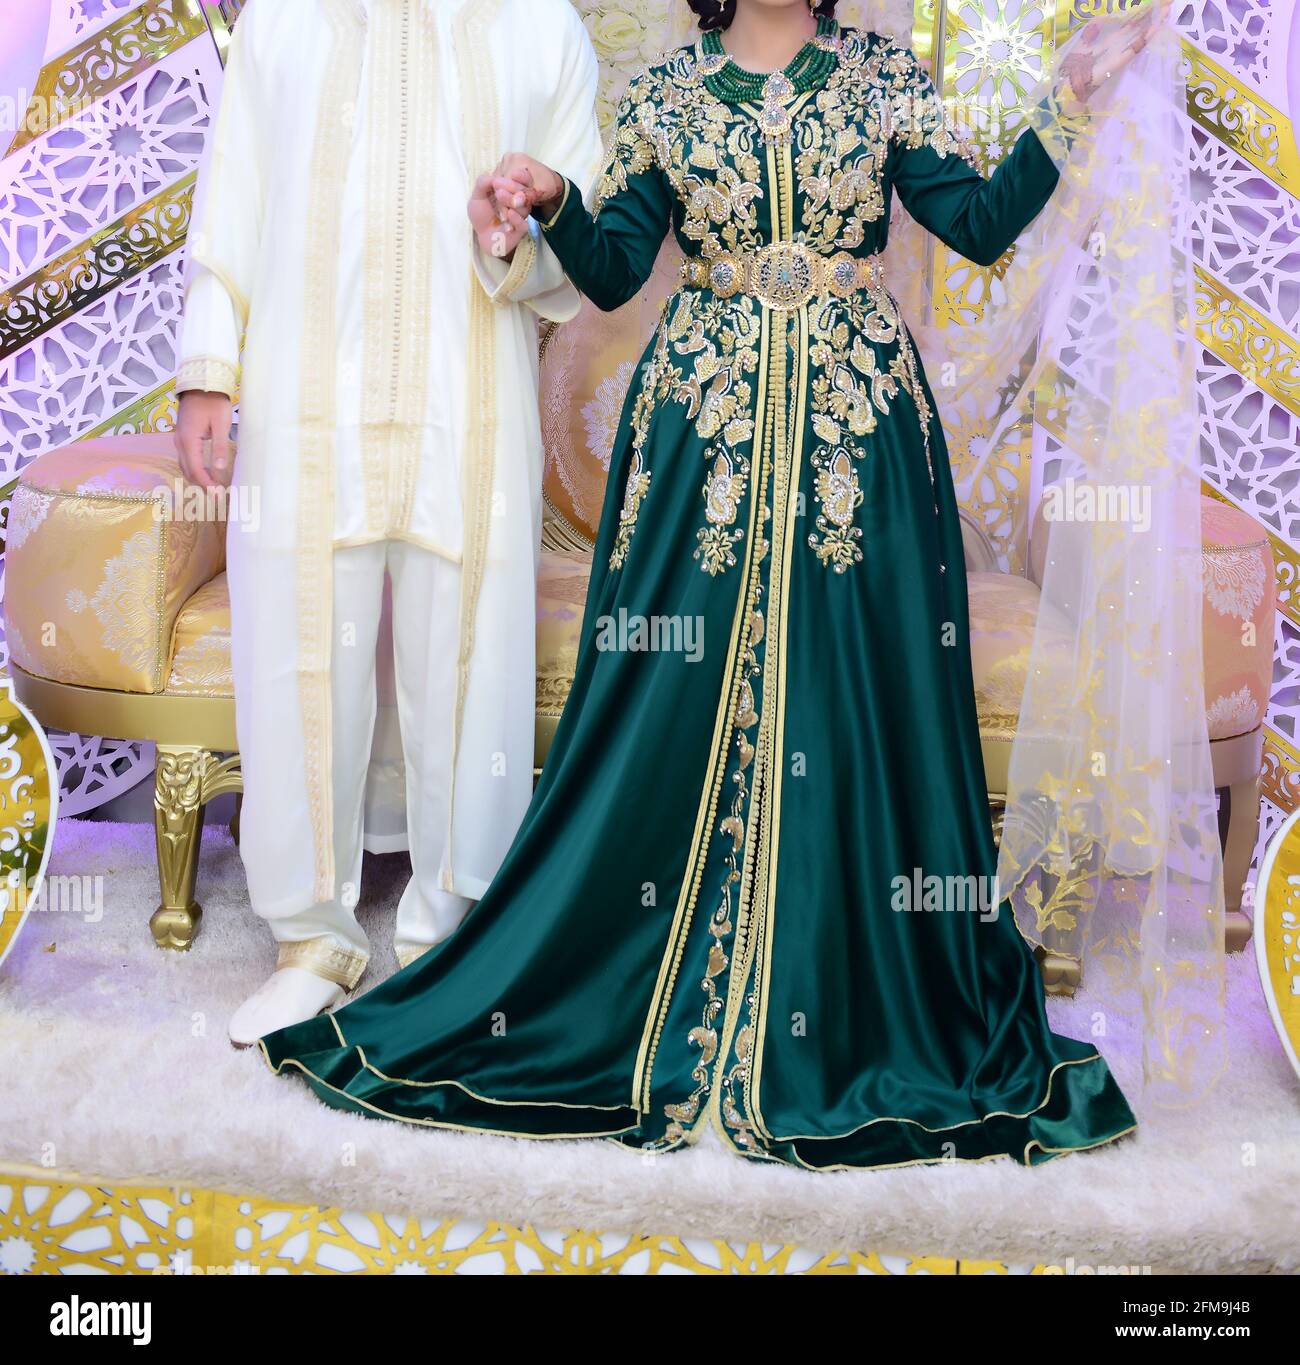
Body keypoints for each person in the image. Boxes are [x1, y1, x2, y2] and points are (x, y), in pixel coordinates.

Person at [260, 0, 1157, 1169]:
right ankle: (645, 972)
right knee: (663, 705)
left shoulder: (885, 75)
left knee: (855, 703)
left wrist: (1069, 98)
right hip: (702, 440)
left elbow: (979, 224)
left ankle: (846, 989)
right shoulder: (665, 94)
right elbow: (617, 264)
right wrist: (550, 201)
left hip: (857, 442)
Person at [174, 0, 603, 1046]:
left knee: (466, 648)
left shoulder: (539, 26)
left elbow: (577, 241)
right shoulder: (284, 21)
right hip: (302, 393)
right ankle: (311, 938)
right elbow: (235, 200)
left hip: (470, 400)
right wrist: (206, 372)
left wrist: (522, 238)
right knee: (298, 651)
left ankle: (451, 930)